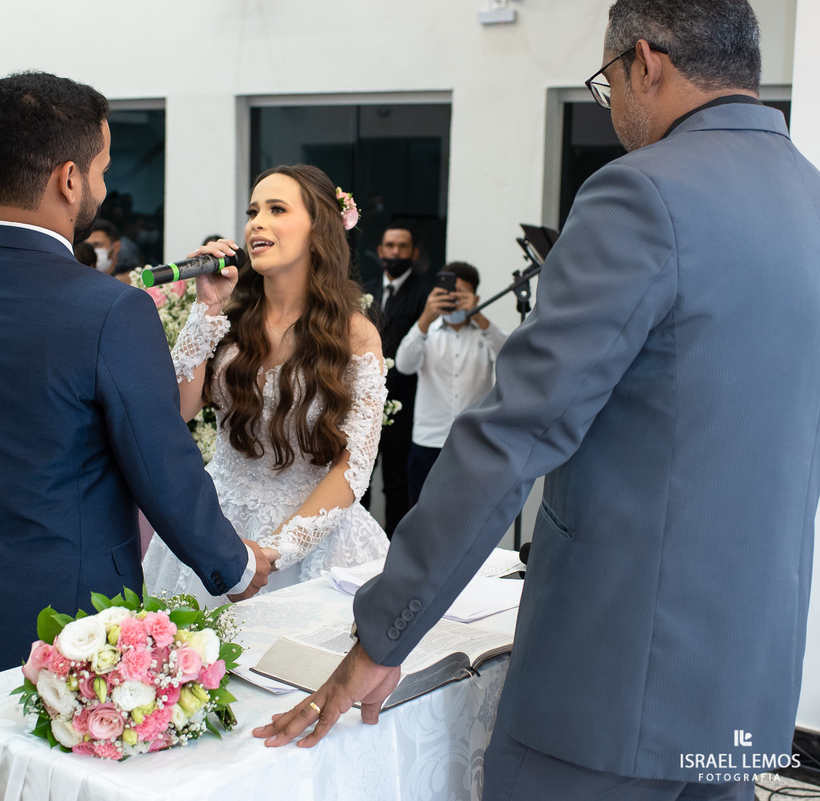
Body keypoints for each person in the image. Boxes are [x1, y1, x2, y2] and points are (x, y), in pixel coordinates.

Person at [255, 4, 820, 801]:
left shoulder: (642, 193)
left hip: (611, 687)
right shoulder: (809, 198)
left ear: (646, 62)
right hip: (742, 688)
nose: (613, 110)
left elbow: (513, 435)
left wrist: (384, 634)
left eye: (607, 83)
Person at [0, 70, 271, 685]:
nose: (103, 185)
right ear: (69, 179)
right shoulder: (110, 309)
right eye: (101, 169)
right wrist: (234, 566)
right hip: (76, 624)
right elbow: (161, 463)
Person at [143, 164, 390, 600]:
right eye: (253, 211)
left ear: (318, 229)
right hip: (217, 530)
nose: (257, 222)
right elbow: (175, 411)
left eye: (277, 209)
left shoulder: (356, 335)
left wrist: (273, 552)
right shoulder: (228, 319)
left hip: (313, 541)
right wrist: (207, 308)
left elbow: (353, 466)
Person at [394, 261, 507, 502]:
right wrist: (425, 318)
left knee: (471, 511)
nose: (453, 298)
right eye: (448, 292)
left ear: (475, 297)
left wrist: (479, 315)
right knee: (422, 511)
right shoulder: (426, 332)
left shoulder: (486, 333)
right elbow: (404, 365)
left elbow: (509, 359)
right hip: (428, 442)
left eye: (461, 293)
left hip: (473, 443)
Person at [363, 225, 434, 536]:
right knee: (359, 481)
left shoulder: (426, 294)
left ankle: (394, 549)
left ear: (414, 253)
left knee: (396, 483)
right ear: (380, 251)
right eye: (390, 245)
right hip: (364, 403)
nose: (395, 252)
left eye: (402, 246)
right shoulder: (365, 292)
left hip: (403, 404)